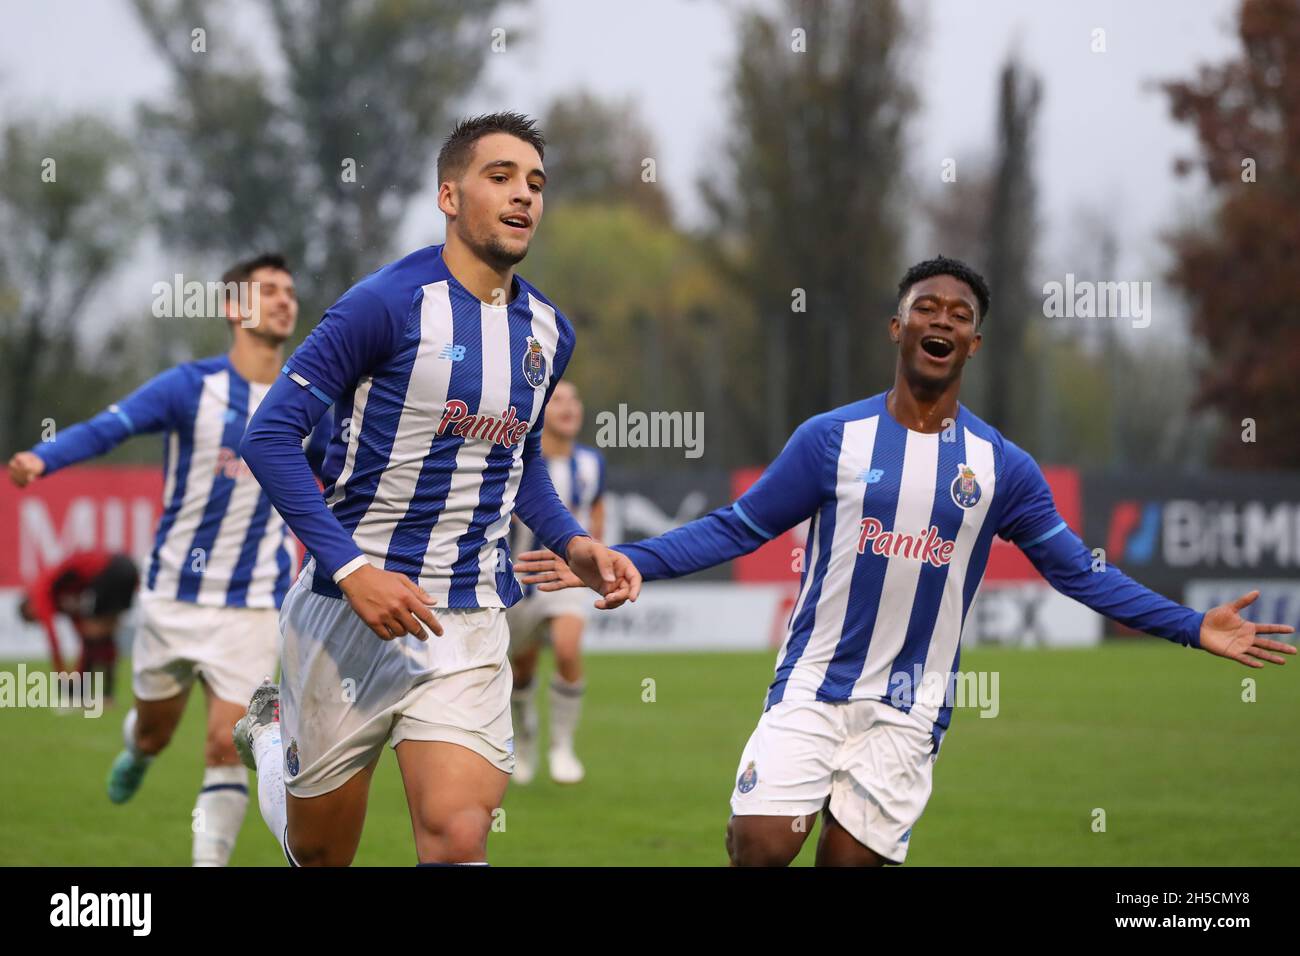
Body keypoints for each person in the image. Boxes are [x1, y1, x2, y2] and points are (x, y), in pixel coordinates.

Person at [518, 255, 1296, 867]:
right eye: (926, 307)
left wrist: (1194, 626)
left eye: (960, 315)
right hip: (813, 688)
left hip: (909, 706)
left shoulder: (1003, 469)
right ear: (897, 326)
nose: (942, 320)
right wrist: (627, 561)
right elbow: (737, 526)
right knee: (762, 845)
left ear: (973, 343)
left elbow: (1080, 572)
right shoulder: (832, 439)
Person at [235, 112, 640, 867]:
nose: (523, 196)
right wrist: (352, 572)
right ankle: (266, 741)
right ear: (449, 197)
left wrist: (574, 541)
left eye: (536, 183)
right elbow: (268, 435)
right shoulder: (383, 305)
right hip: (343, 615)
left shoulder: (550, 331)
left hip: (467, 617)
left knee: (457, 838)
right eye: (501, 177)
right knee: (320, 854)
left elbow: (516, 463)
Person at [7, 252, 328, 866]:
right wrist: (46, 459)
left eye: (290, 291)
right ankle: (138, 749)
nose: (286, 300)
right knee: (155, 730)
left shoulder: (310, 401)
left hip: (254, 606)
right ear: (234, 308)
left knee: (226, 743)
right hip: (173, 599)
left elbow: (342, 471)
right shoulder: (191, 387)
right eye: (269, 290)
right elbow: (111, 426)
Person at [505, 380, 606, 784]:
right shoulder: (516, 461)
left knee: (567, 648)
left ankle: (562, 747)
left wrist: (595, 557)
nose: (569, 407)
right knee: (521, 670)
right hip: (518, 582)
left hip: (566, 583)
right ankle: (525, 740)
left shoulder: (591, 464)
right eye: (558, 400)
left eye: (574, 399)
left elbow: (596, 511)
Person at [19, 549, 140, 708]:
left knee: (93, 633)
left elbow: (53, 637)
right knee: (102, 635)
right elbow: (80, 629)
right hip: (128, 568)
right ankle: (106, 696)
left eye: (33, 619)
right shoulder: (63, 593)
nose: (39, 620)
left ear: (29, 607)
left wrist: (61, 674)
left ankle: (80, 693)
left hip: (109, 570)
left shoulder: (41, 593)